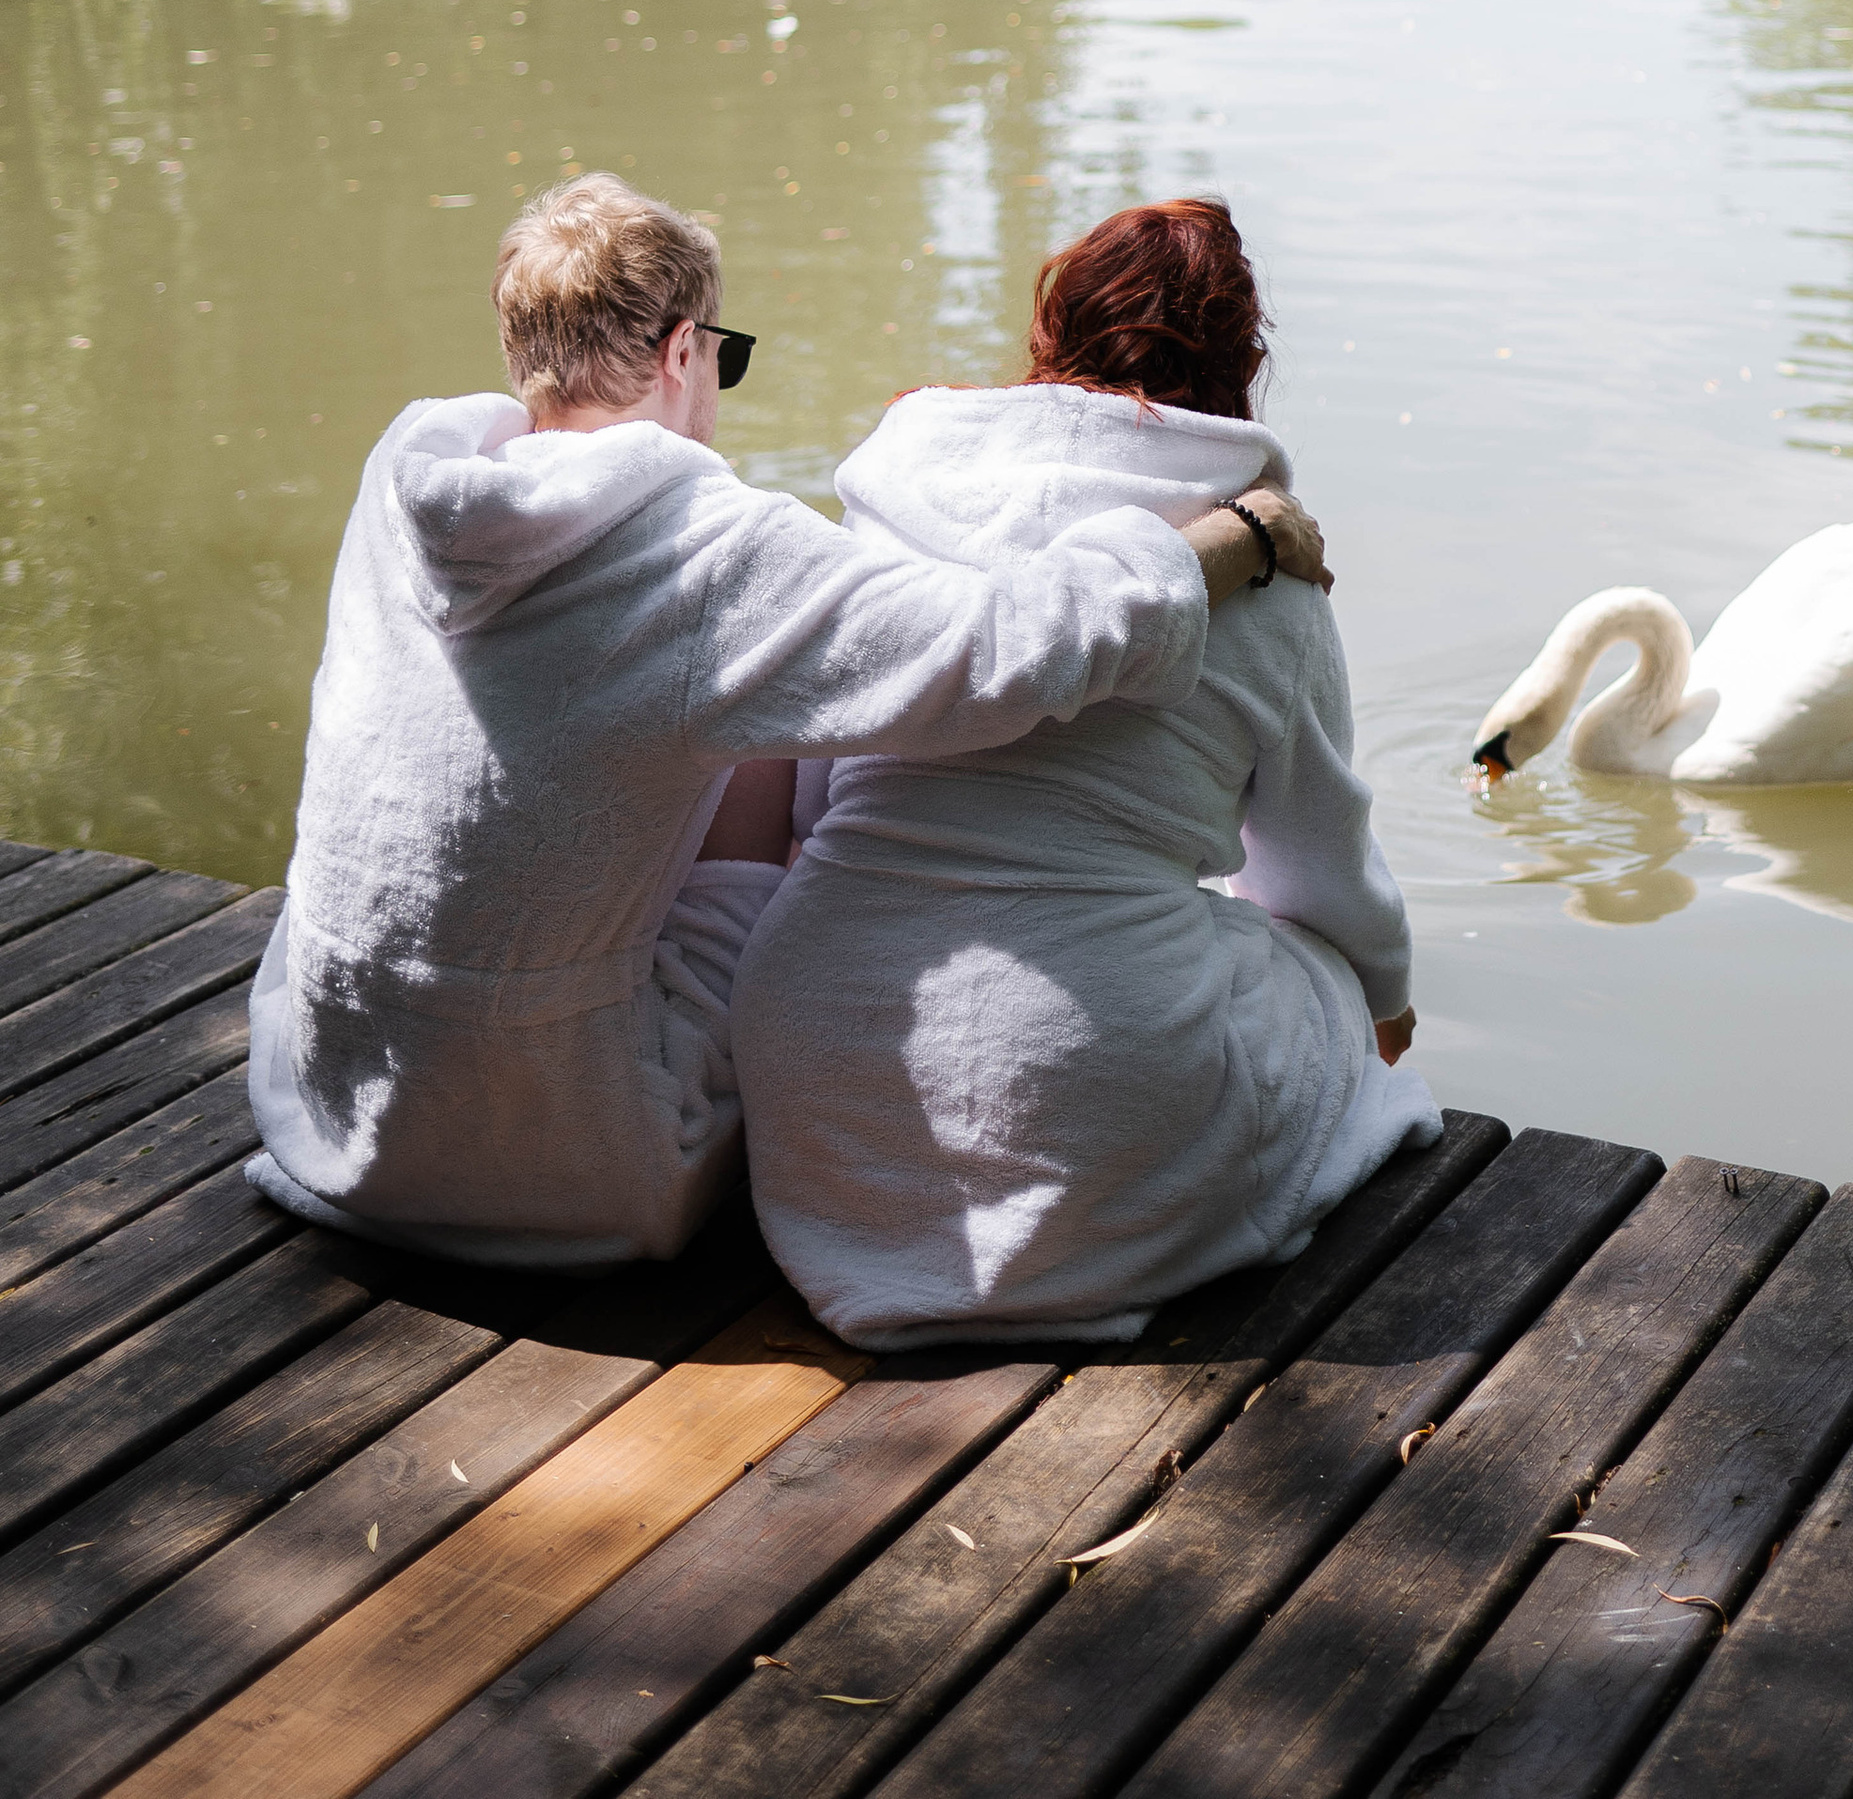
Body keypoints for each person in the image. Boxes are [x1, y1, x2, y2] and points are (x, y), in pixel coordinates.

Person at [244, 170, 1318, 1271]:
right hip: (565, 1161)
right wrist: (1242, 531)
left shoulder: (404, 483)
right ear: (679, 352)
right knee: (791, 736)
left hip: (332, 1104)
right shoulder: (704, 550)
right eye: (725, 356)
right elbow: (1003, 647)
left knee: (728, 711)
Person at [732, 197, 1438, 1347]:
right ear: (1242, 362)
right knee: (1313, 959)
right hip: (1097, 1068)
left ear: (1048, 334)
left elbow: (815, 803)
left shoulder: (890, 525)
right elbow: (1317, 867)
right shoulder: (1266, 575)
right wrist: (1383, 994)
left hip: (825, 1059)